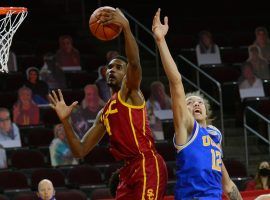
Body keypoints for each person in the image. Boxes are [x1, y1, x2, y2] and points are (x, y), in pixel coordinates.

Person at [49, 7, 168, 200]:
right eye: (109, 68)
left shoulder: (131, 92)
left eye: (118, 67)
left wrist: (127, 28)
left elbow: (135, 63)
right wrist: (65, 121)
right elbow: (80, 150)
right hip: (127, 170)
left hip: (147, 163)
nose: (111, 70)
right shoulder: (103, 113)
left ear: (127, 72)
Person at [152, 8, 242, 199]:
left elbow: (228, 185)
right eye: (190, 102)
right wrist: (161, 41)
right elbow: (176, 82)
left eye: (199, 102)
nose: (196, 104)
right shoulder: (186, 128)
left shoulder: (214, 137)